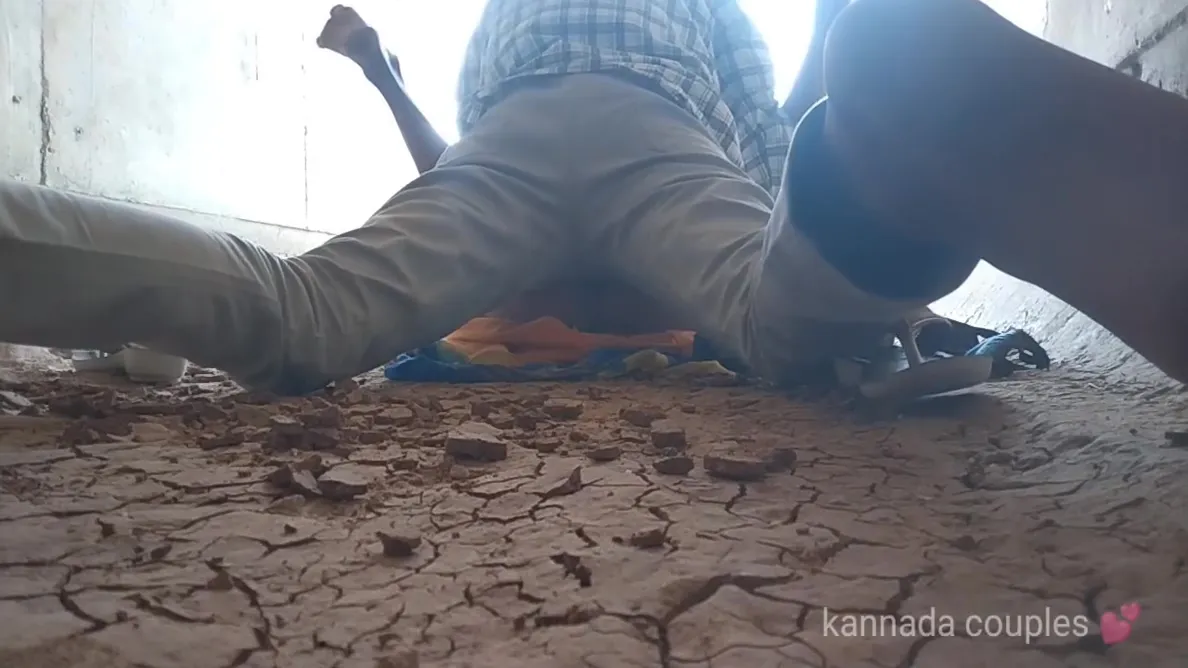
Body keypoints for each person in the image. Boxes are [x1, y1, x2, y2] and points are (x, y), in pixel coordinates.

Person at [1, 0, 1186, 395]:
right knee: (779, 321)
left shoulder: (504, 16)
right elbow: (756, 146)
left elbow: (463, 158)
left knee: (307, 313)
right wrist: (862, 236)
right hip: (656, 141)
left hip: (519, 143)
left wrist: (386, 79)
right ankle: (882, 168)